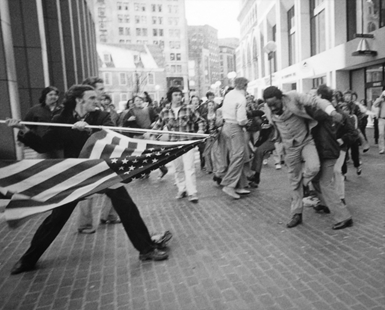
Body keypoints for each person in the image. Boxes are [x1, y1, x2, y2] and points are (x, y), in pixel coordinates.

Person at [6, 85, 172, 275]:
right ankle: (28, 259)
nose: (97, 101)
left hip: (101, 171)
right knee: (56, 218)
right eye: (92, 98)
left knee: (127, 207)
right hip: (77, 174)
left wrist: (88, 131)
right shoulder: (62, 120)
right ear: (79, 100)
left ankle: (146, 249)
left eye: (96, 97)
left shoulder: (99, 117)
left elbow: (112, 136)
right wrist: (23, 128)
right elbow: (44, 145)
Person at [263, 86, 342, 228]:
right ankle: (296, 214)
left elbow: (316, 101)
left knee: (314, 167)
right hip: (289, 147)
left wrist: (332, 111)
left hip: (306, 140)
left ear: (281, 98)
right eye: (270, 105)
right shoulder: (268, 108)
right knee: (293, 180)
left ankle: (304, 184)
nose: (273, 107)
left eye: (275, 103)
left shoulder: (293, 96)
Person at [307, 85, 354, 230]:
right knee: (316, 180)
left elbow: (312, 115)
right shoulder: (326, 110)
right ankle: (327, 204)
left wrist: (306, 101)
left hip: (328, 152)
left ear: (320, 96)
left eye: (314, 95)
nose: (311, 98)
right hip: (325, 151)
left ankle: (344, 216)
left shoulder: (323, 111)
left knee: (325, 183)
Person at [152, 87, 205, 203]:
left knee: (189, 167)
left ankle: (192, 192)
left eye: (180, 94)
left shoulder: (188, 109)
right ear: (170, 96)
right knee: (178, 168)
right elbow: (158, 125)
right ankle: (182, 189)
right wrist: (152, 134)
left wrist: (200, 131)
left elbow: (200, 121)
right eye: (175, 95)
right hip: (174, 144)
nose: (178, 97)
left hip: (187, 143)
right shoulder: (165, 111)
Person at [121, 95, 168, 179]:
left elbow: (157, 117)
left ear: (142, 101)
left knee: (153, 152)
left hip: (149, 133)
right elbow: (124, 123)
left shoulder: (149, 109)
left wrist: (154, 122)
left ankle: (162, 168)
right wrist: (129, 120)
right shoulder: (131, 111)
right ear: (134, 102)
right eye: (136, 101)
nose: (138, 102)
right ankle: (145, 172)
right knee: (141, 155)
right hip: (138, 135)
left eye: (140, 100)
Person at [220, 77, 251, 199]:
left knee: (235, 156)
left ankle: (240, 184)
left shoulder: (229, 94)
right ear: (245, 86)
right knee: (239, 156)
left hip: (226, 126)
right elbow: (242, 120)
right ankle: (229, 185)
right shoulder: (241, 98)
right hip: (235, 127)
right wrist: (247, 122)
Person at [21, 86, 63, 159]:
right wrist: (21, 139)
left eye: (55, 95)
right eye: (50, 94)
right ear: (45, 95)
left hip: (59, 145)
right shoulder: (35, 110)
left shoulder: (63, 109)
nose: (53, 96)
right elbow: (26, 125)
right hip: (42, 144)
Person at [373, 89, 385, 154]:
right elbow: (375, 104)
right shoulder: (381, 100)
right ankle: (382, 148)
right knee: (381, 134)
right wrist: (381, 97)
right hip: (381, 119)